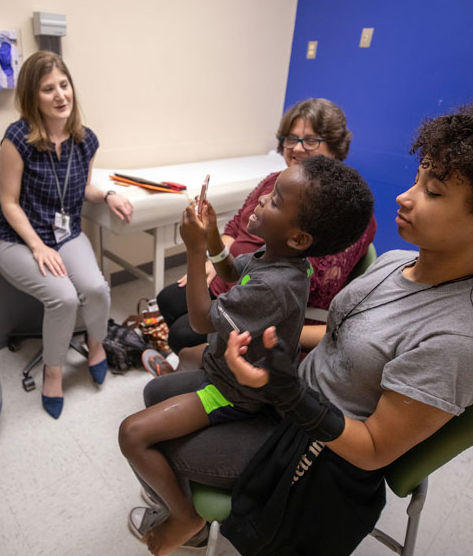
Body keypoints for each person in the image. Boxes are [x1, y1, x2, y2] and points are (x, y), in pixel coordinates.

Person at [126, 98, 473, 555]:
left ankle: (191, 521)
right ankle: (191, 511)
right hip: (290, 395)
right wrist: (275, 341)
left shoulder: (459, 343)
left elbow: (374, 449)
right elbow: (342, 334)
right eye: (418, 179)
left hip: (314, 451)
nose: (405, 196)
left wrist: (281, 387)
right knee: (159, 392)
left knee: (151, 435)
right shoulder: (399, 263)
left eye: (433, 192)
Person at [119, 155, 375, 555]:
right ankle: (177, 497)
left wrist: (191, 250)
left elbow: (202, 320)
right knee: (164, 384)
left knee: (132, 433)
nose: (259, 201)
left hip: (234, 392)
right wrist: (211, 239)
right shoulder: (284, 260)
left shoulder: (276, 285)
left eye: (274, 201)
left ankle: (185, 517)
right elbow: (234, 273)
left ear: (298, 237)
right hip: (227, 372)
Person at [154, 98, 376, 363]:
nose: (296, 148)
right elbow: (236, 226)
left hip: (259, 299)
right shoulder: (275, 180)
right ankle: (192, 366)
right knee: (167, 299)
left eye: (311, 140)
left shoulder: (338, 217)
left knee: (184, 332)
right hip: (237, 272)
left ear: (336, 148)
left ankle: (201, 371)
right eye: (290, 138)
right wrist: (215, 251)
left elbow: (304, 287)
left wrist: (198, 250)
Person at [0, 50, 133, 419]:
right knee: (64, 298)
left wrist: (108, 194)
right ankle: (53, 371)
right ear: (31, 97)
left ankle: (96, 344)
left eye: (64, 85)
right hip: (19, 240)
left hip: (67, 234)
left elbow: (82, 189)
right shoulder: (17, 139)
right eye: (47, 89)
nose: (60, 96)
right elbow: (8, 202)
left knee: (97, 289)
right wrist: (38, 246)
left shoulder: (85, 140)